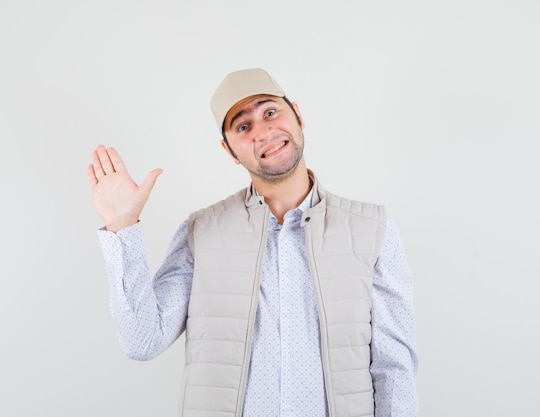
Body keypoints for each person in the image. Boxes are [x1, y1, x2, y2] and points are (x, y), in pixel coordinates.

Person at [87, 68, 418, 417]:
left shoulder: (373, 230)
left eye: (270, 112)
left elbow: (395, 369)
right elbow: (143, 340)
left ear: (299, 116)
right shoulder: (201, 233)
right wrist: (122, 225)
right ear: (229, 149)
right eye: (243, 126)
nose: (263, 131)